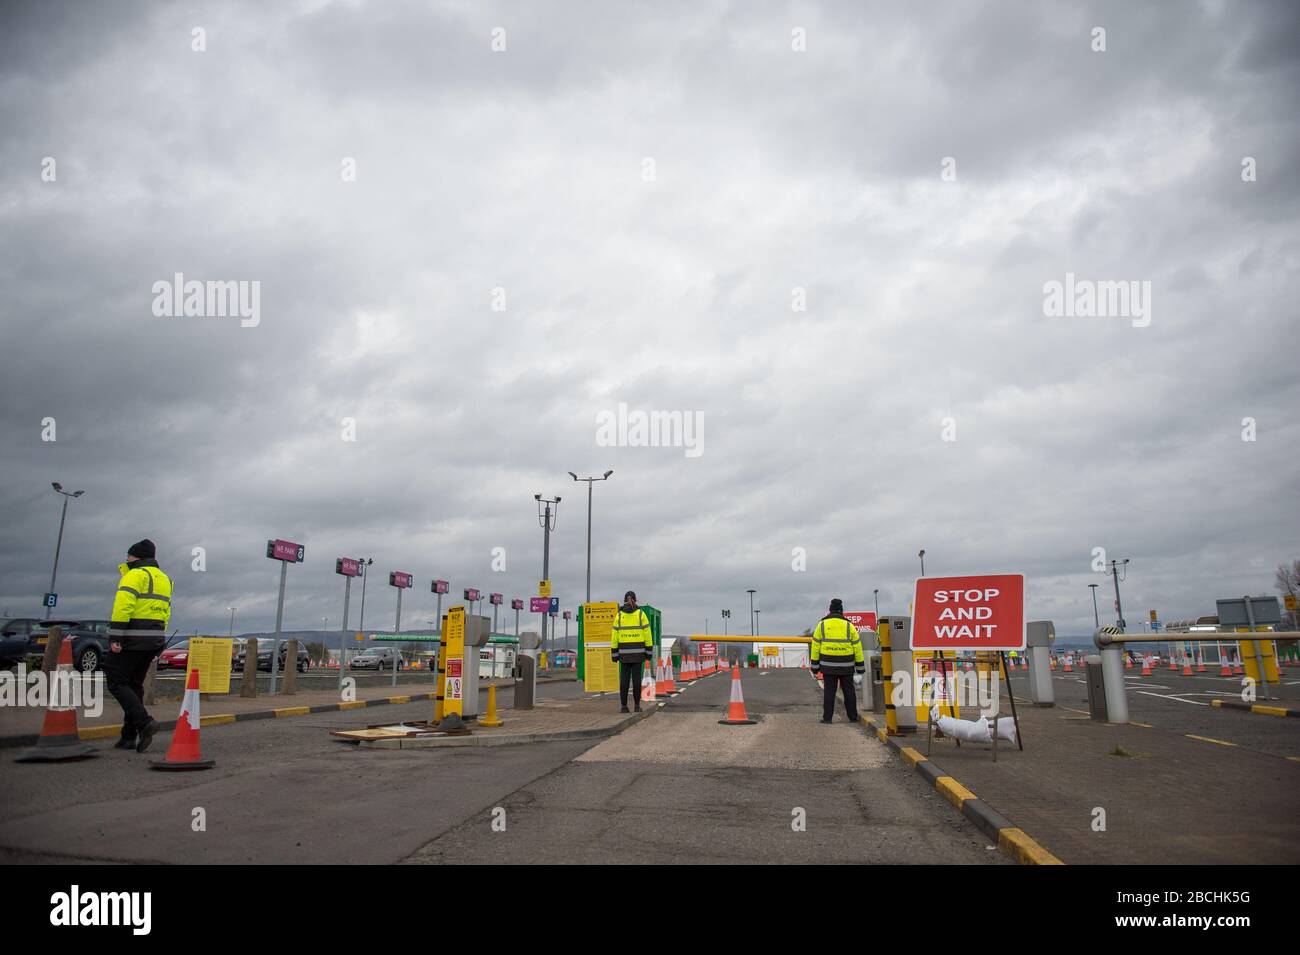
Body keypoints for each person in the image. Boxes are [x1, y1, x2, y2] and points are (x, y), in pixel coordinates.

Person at [106, 539, 172, 752]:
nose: (126, 559)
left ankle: (144, 723)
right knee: (134, 685)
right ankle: (128, 736)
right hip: (153, 639)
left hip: (132, 638)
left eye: (129, 556)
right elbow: (166, 611)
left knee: (116, 681)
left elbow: (123, 606)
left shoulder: (134, 575)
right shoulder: (164, 579)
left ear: (136, 557)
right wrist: (159, 641)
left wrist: (116, 637)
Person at [811, 598, 864, 724]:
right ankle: (853, 717)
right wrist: (860, 666)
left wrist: (815, 666)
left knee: (829, 691)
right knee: (849, 691)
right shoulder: (849, 625)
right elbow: (857, 647)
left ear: (830, 611)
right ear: (841, 611)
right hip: (847, 665)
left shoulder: (822, 625)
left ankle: (827, 718)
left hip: (828, 665)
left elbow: (815, 646)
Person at [611, 590, 653, 713]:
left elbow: (614, 636)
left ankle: (624, 707)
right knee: (636, 680)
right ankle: (636, 706)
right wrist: (648, 652)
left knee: (624, 680)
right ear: (635, 599)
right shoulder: (641, 614)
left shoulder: (619, 616)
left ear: (624, 600)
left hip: (623, 654)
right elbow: (647, 634)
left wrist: (614, 654)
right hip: (638, 654)